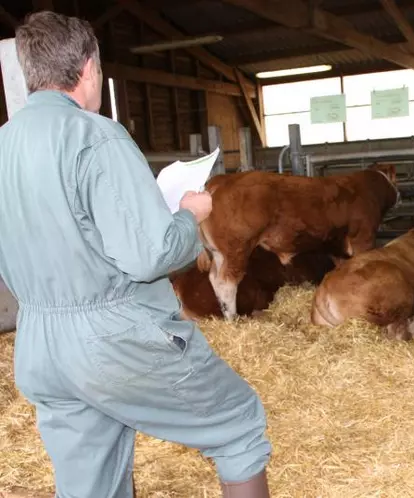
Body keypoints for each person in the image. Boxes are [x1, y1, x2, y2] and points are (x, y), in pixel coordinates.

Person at [0, 11, 271, 498]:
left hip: (39, 342)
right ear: (88, 68)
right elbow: (150, 256)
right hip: (111, 337)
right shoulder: (96, 136)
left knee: (90, 483)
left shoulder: (3, 144)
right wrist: (189, 215)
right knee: (238, 424)